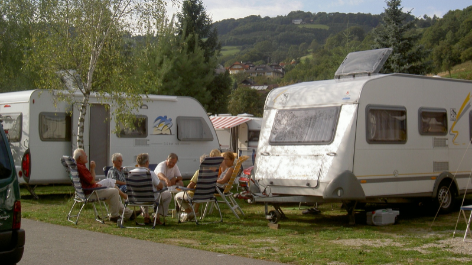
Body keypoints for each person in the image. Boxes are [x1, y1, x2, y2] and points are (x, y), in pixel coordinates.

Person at [73, 148, 138, 222]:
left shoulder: (77, 166)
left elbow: (89, 181)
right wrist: (92, 168)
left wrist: (95, 184)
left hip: (86, 191)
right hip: (90, 193)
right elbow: (91, 181)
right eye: (85, 155)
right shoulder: (81, 168)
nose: (86, 156)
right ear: (80, 158)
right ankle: (114, 216)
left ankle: (129, 214)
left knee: (111, 188)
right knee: (114, 192)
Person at [131, 153, 172, 224]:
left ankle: (146, 216)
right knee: (168, 195)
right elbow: (160, 186)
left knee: (142, 192)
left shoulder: (131, 172)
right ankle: (157, 216)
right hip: (151, 198)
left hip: (136, 197)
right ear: (147, 162)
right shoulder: (150, 173)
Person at [174, 154, 209, 222]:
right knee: (194, 194)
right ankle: (193, 212)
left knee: (177, 196)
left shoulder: (199, 172)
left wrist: (184, 189)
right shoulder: (213, 173)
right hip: (207, 195)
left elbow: (190, 186)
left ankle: (189, 213)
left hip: (196, 196)